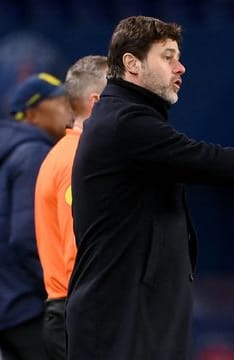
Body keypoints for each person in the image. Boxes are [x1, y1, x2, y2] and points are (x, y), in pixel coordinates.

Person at [67, 16, 234, 360]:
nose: (181, 67)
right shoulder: (126, 122)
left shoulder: (126, 117)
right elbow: (207, 159)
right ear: (132, 63)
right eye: (168, 56)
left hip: (128, 308)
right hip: (122, 313)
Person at [34, 56, 108, 360]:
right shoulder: (76, 160)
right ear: (96, 102)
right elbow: (75, 249)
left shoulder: (68, 153)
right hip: (80, 315)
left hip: (75, 311)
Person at [0, 73, 72, 360]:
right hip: (27, 306)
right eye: (59, 101)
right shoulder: (34, 153)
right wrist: (60, 293)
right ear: (31, 114)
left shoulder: (12, 150)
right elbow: (28, 236)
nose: (69, 108)